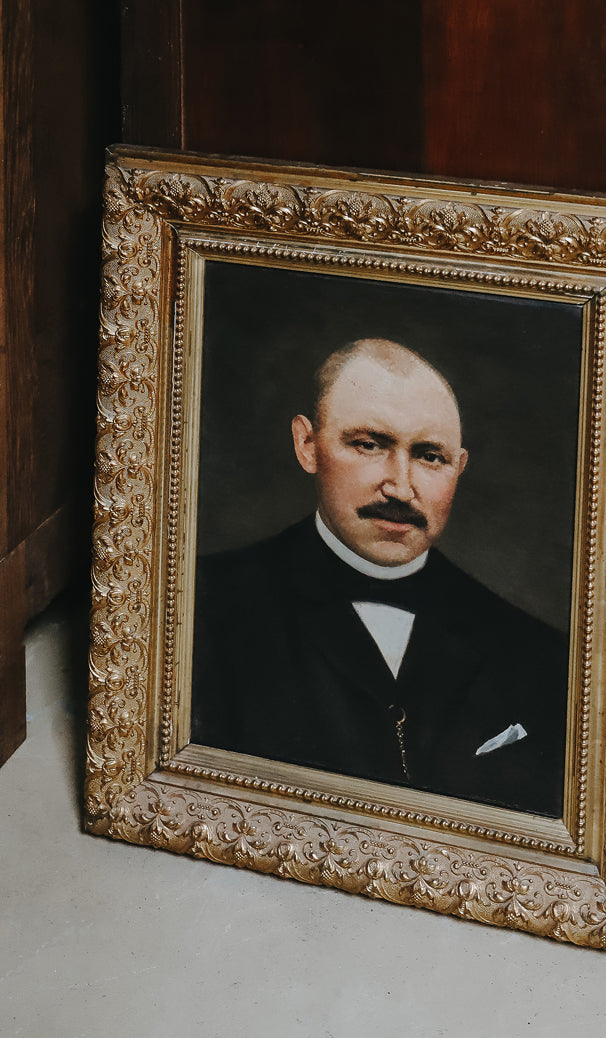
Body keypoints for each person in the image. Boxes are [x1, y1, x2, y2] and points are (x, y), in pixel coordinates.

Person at [190, 339, 568, 817]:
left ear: (460, 467)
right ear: (308, 445)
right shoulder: (199, 606)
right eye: (369, 445)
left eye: (430, 456)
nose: (400, 485)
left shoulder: (540, 653)